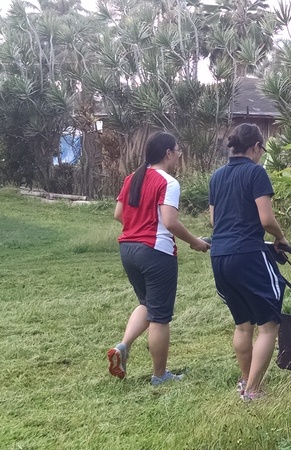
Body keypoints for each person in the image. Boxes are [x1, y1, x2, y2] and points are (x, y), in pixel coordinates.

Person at [107, 131, 210, 386]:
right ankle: (160, 375)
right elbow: (170, 222)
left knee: (147, 303)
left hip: (128, 249)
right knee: (160, 316)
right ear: (168, 153)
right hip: (155, 253)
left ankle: (123, 346)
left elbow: (119, 214)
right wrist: (195, 242)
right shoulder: (169, 182)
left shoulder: (132, 178)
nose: (179, 155)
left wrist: (139, 225)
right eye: (178, 150)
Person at [208, 123, 288, 401]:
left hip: (219, 256)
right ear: (255, 147)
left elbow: (213, 221)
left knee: (243, 324)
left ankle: (246, 382)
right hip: (247, 255)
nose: (261, 154)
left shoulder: (217, 176)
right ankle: (253, 391)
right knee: (269, 325)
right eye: (261, 150)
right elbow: (266, 220)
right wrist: (281, 237)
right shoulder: (256, 172)